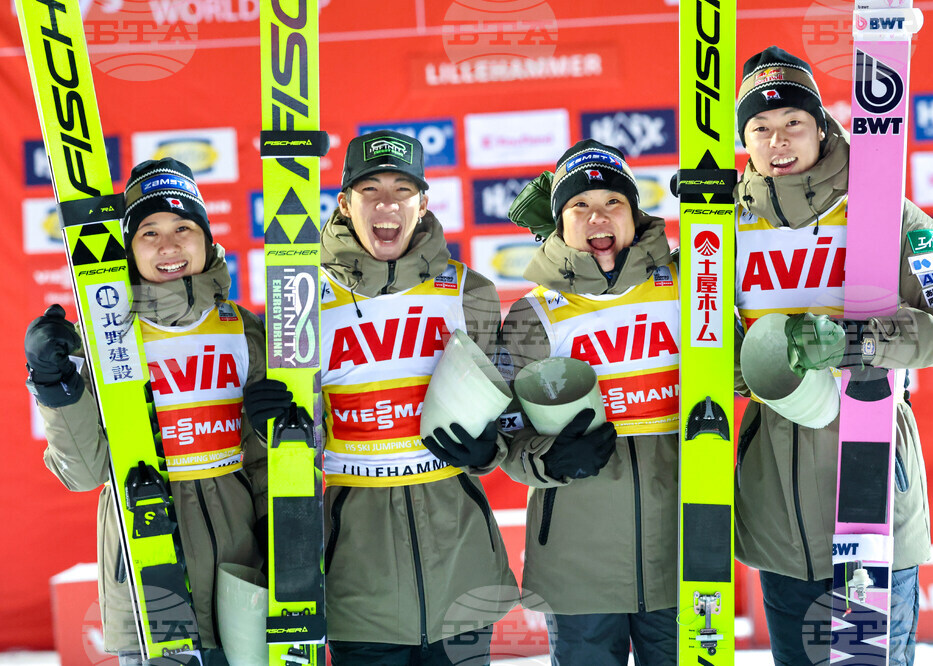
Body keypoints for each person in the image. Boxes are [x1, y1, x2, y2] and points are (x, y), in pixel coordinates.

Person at [732, 46, 933, 666]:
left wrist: (859, 342)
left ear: (821, 126)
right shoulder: (722, 230)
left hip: (873, 497)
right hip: (776, 507)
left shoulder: (887, 213)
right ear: (745, 141)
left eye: (793, 122)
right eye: (760, 129)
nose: (778, 141)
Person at [244, 129, 517, 665]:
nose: (387, 204)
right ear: (345, 203)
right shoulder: (304, 298)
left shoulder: (471, 291)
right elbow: (298, 435)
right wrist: (269, 425)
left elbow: (507, 421)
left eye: (402, 190)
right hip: (356, 575)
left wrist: (491, 450)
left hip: (462, 571)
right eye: (370, 190)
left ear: (423, 203)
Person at [24, 158, 267, 665]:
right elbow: (86, 472)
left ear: (206, 237)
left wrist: (280, 545)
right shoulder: (108, 344)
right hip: (148, 577)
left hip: (242, 575)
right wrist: (56, 387)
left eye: (183, 228)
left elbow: (271, 463)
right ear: (129, 250)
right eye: (148, 233)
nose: (169, 246)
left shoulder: (245, 331)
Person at [498, 139, 680, 665]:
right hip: (576, 560)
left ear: (634, 212)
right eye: (580, 205)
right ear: (560, 222)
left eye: (612, 203)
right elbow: (506, 435)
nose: (597, 218)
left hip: (681, 547)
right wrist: (544, 459)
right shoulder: (533, 314)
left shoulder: (687, 281)